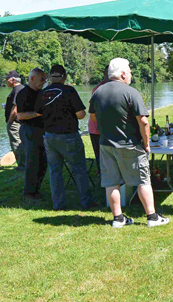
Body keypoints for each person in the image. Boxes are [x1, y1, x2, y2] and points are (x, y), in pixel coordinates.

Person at [89, 58, 169, 228]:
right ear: (123, 74)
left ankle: (118, 219)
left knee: (111, 182)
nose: (131, 74)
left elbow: (94, 117)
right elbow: (144, 122)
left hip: (106, 144)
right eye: (130, 71)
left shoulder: (98, 92)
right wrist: (147, 144)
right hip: (129, 144)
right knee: (142, 180)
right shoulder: (130, 92)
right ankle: (152, 217)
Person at [34, 65, 94, 211]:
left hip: (49, 137)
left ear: (49, 77)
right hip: (68, 135)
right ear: (64, 77)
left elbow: (38, 113)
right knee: (79, 169)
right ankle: (86, 203)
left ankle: (58, 205)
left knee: (55, 171)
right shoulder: (69, 90)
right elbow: (81, 114)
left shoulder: (43, 93)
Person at [16, 68, 48, 200]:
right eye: (42, 79)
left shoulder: (41, 93)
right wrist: (38, 114)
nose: (44, 82)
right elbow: (20, 115)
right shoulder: (23, 94)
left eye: (45, 79)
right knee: (33, 161)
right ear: (32, 78)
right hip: (29, 130)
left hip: (41, 130)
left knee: (43, 161)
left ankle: (36, 189)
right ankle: (29, 192)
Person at [88, 66, 109, 176]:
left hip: (105, 128)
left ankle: (104, 172)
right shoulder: (98, 89)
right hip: (96, 128)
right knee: (99, 154)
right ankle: (101, 173)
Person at [4, 70, 26, 172]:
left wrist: (9, 122)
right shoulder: (22, 88)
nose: (5, 81)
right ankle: (25, 163)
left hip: (15, 123)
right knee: (22, 142)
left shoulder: (16, 90)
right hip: (22, 122)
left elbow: (15, 109)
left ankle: (22, 165)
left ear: (13, 80)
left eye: (7, 79)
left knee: (16, 143)